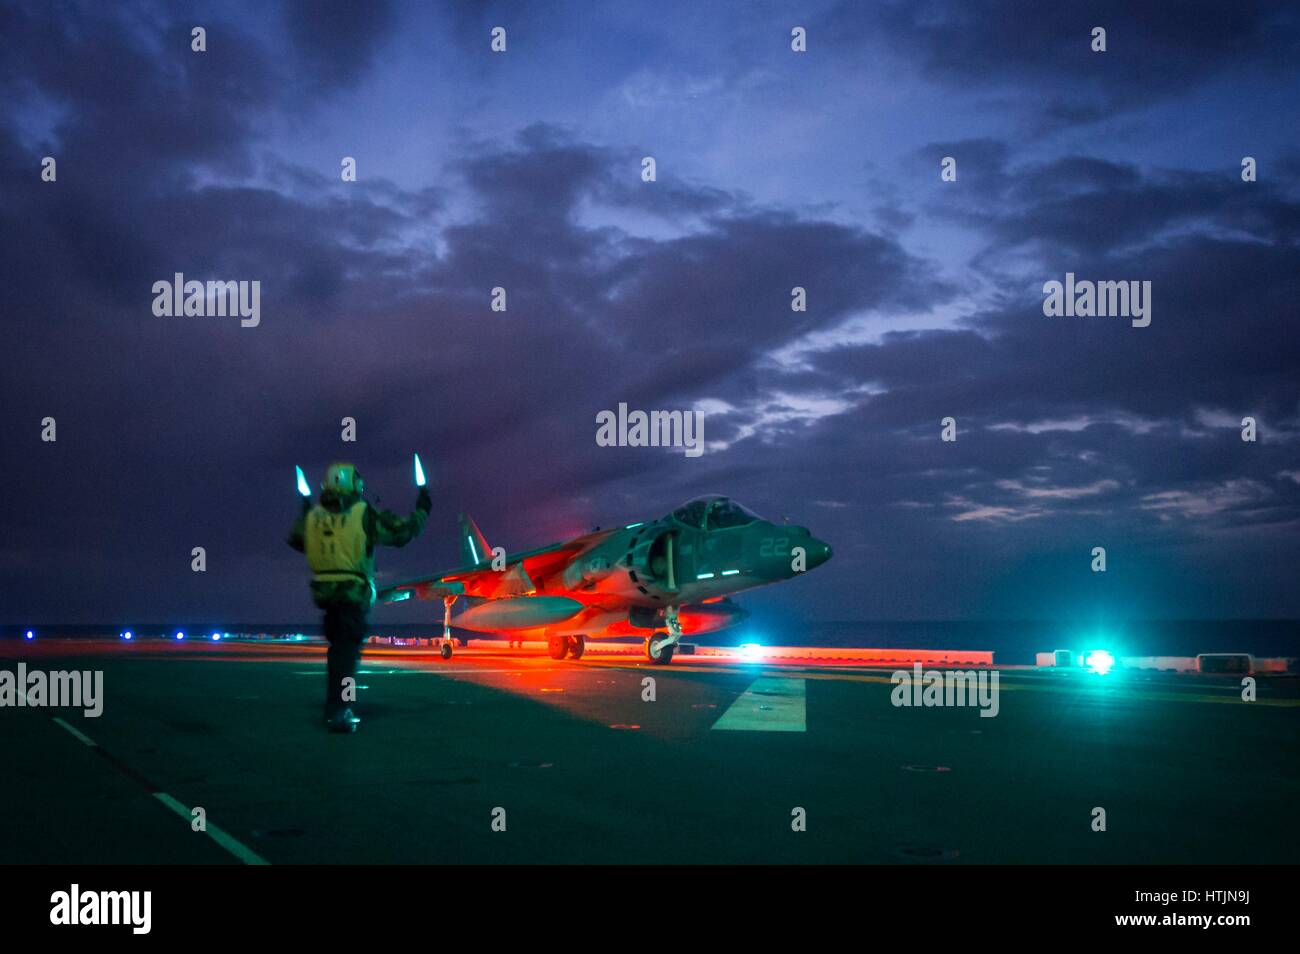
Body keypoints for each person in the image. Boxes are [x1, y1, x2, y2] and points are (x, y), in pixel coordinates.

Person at [288, 462, 430, 732]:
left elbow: (298, 540)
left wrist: (307, 509)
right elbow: (402, 533)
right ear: (354, 484)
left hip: (325, 597)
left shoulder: (314, 516)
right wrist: (423, 505)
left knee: (338, 652)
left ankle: (337, 706)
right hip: (352, 596)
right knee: (347, 653)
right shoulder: (362, 513)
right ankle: (340, 710)